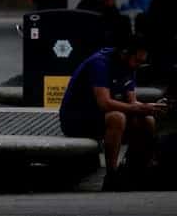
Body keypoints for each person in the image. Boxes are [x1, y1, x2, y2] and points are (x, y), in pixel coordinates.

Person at [59, 35, 167, 190]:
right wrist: (138, 108)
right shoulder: (100, 63)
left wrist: (149, 107)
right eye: (137, 60)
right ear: (125, 53)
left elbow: (132, 102)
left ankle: (134, 171)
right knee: (117, 117)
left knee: (147, 119)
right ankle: (111, 176)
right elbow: (104, 103)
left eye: (142, 62)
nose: (138, 65)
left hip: (98, 116)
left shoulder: (130, 66)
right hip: (76, 119)